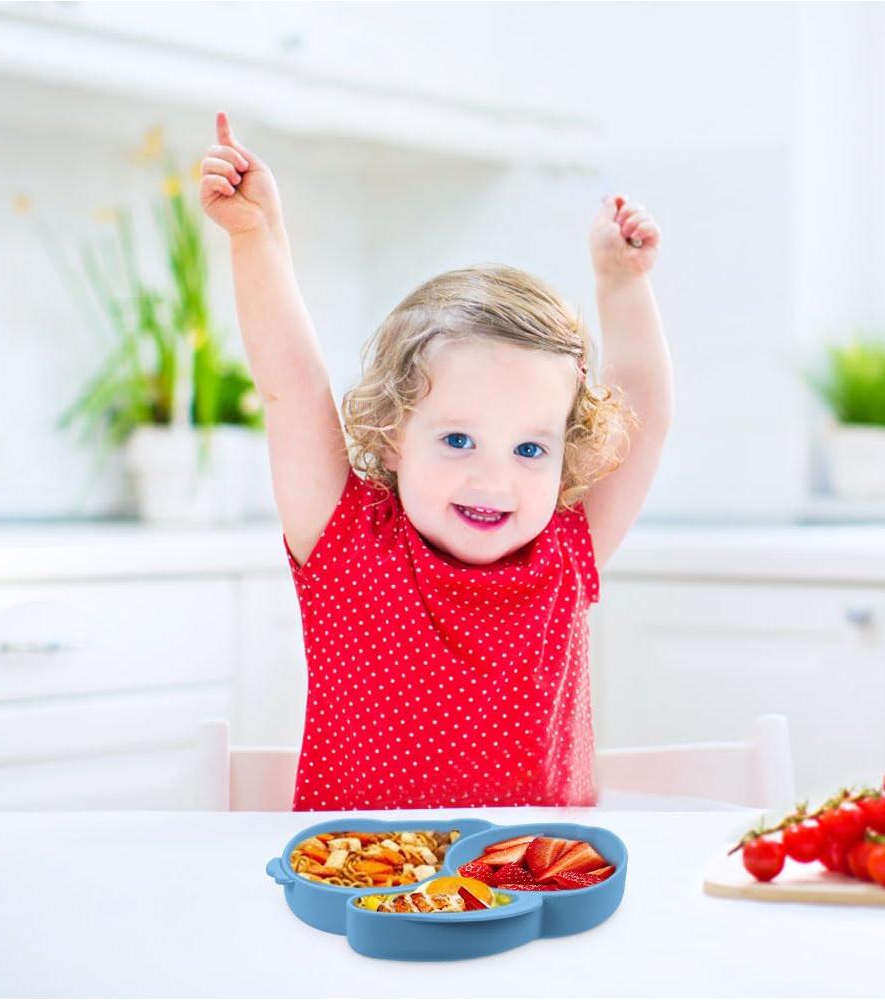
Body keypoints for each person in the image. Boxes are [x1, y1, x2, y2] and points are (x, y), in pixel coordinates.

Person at [200, 110, 673, 810]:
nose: (494, 478)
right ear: (392, 432)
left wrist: (623, 285)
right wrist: (257, 237)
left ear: (565, 451)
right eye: (457, 440)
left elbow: (645, 418)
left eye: (530, 448)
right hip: (362, 890)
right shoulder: (346, 545)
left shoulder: (565, 552)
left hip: (534, 884)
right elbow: (291, 387)